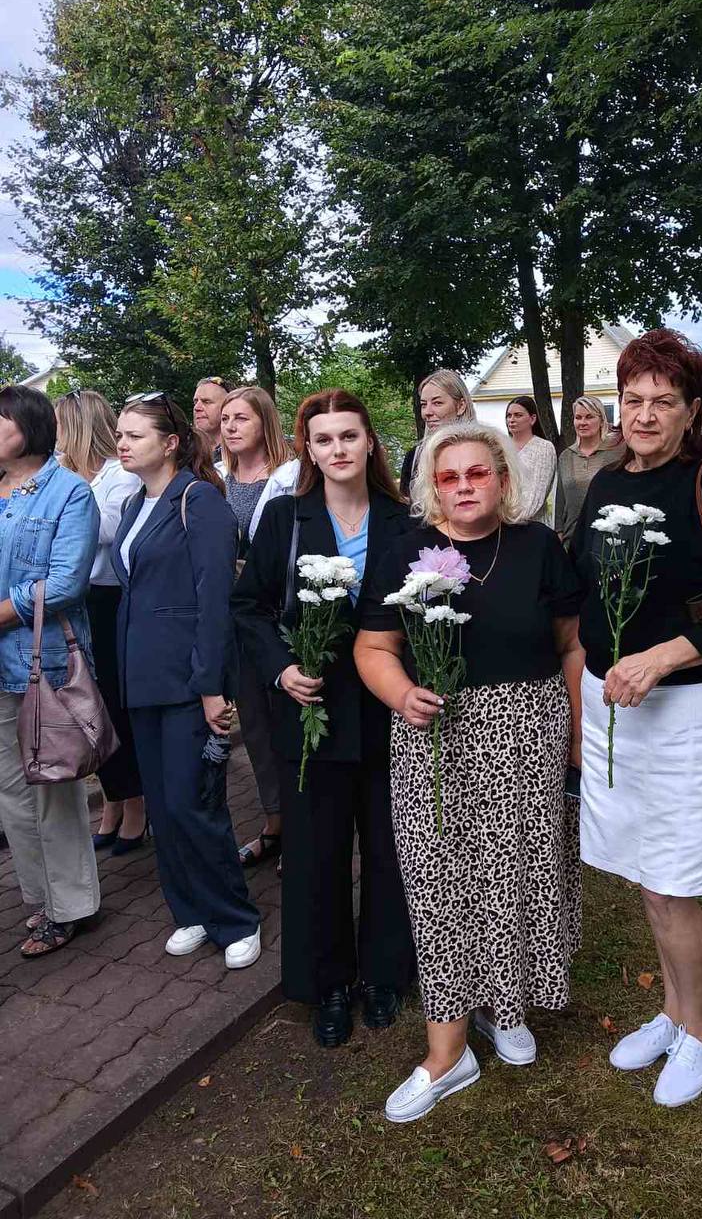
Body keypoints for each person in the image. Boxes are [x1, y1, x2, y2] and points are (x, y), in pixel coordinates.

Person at [571, 329, 702, 1107]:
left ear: (693, 409)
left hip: (687, 712)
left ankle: (701, 1032)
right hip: (612, 708)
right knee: (643, 869)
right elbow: (579, 588)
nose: (645, 415)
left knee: (673, 880)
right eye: (633, 399)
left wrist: (661, 659)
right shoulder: (604, 484)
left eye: (664, 401)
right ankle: (671, 1011)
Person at [355, 422, 584, 1123]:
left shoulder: (538, 547)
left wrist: (578, 738)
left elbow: (572, 645)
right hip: (435, 738)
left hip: (527, 733)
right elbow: (373, 647)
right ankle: (447, 1051)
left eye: (477, 473)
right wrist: (401, 693)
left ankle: (503, 1007)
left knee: (516, 873)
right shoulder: (405, 552)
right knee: (441, 880)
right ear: (433, 486)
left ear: (504, 479)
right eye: (449, 477)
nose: (463, 487)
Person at [232, 389, 416, 1047]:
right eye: (324, 439)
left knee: (391, 850)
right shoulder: (286, 518)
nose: (338, 449)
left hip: (389, 710)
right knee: (317, 854)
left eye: (349, 435)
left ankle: (386, 973)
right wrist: (281, 668)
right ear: (307, 449)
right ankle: (328, 983)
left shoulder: (404, 519)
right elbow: (248, 605)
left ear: (370, 442)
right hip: (310, 708)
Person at [113, 392, 261, 969]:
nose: (123, 444)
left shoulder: (199, 500)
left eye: (135, 435)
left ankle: (234, 917)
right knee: (164, 805)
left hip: (187, 680)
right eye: (120, 435)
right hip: (142, 678)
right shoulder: (134, 504)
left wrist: (210, 686)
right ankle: (191, 910)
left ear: (171, 443)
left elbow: (214, 599)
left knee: (195, 802)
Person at [0, 386, 100, 956]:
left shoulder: (69, 492)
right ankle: (40, 901)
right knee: (11, 794)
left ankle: (72, 906)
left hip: (41, 661)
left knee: (53, 788)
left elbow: (65, 583)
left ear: (30, 426)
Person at [54, 389, 146, 855]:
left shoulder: (119, 476)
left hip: (109, 601)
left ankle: (136, 803)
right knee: (89, 708)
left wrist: (66, 503)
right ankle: (114, 800)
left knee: (112, 703)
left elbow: (103, 531)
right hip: (79, 601)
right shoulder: (68, 477)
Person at [214, 386, 298, 870]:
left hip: (278, 610)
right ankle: (274, 822)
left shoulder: (289, 476)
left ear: (264, 421)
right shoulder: (216, 478)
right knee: (254, 722)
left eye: (241, 418)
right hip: (232, 611)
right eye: (225, 418)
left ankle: (303, 824)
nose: (230, 426)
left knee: (287, 717)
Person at [554, 395, 623, 546]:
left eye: (589, 417)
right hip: (571, 539)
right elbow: (560, 500)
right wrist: (558, 532)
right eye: (578, 417)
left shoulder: (617, 452)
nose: (583, 422)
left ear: (601, 420)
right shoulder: (566, 456)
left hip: (609, 539)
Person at [398, 369, 475, 499]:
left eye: (437, 403)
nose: (427, 412)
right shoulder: (414, 457)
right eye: (423, 405)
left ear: (461, 406)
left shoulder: (486, 453)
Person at [504, 395, 557, 524]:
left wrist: (511, 519)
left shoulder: (544, 448)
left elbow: (537, 494)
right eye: (509, 416)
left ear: (532, 419)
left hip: (533, 524)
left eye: (518, 415)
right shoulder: (500, 447)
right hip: (501, 523)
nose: (512, 420)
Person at [192, 375, 238, 458]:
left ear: (227, 407)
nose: (196, 408)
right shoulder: (184, 452)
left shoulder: (242, 454)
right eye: (195, 402)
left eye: (206, 402)